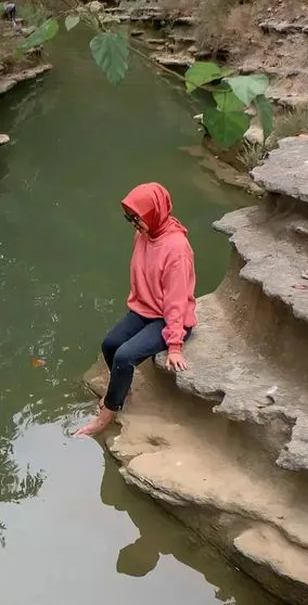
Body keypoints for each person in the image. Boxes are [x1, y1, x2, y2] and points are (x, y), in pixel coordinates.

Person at [75, 182, 197, 437]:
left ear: (155, 212)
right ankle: (123, 388)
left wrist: (175, 345)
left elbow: (176, 301)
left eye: (137, 217)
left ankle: (107, 415)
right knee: (110, 344)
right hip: (146, 310)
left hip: (170, 318)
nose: (133, 223)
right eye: (129, 217)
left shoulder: (177, 249)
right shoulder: (144, 235)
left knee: (124, 356)